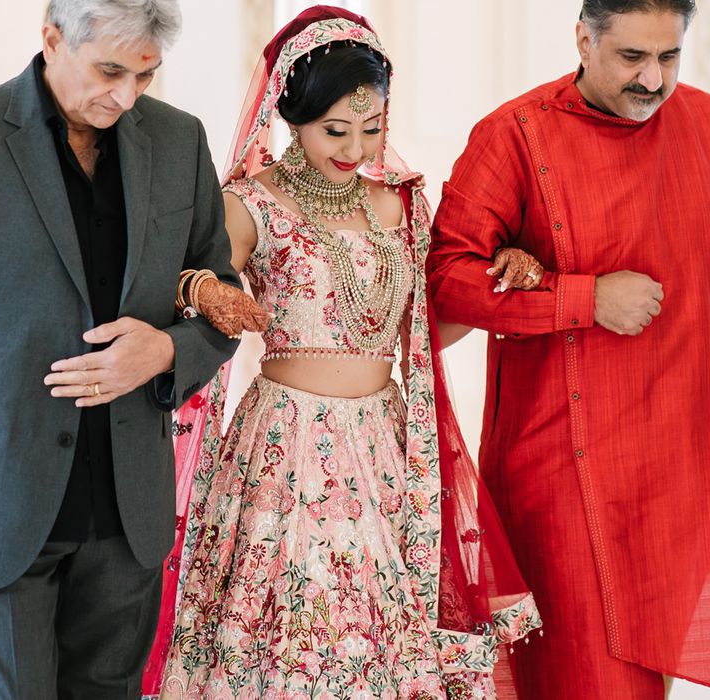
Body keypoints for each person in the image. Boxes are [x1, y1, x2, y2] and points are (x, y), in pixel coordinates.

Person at [143, 7, 543, 700]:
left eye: (372, 127)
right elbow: (181, 286)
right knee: (290, 641)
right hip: (286, 448)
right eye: (335, 130)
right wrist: (204, 287)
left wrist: (502, 276)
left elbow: (421, 336)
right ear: (291, 115)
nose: (355, 147)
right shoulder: (251, 203)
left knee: (386, 643)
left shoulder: (405, 207)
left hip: (386, 451)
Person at [428, 0, 710, 698]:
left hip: (681, 473)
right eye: (632, 58)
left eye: (669, 57)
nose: (653, 79)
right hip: (565, 473)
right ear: (584, 42)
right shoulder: (515, 137)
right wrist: (583, 299)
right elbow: (444, 282)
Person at [0, 1, 242, 697]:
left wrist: (168, 352)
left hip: (127, 510)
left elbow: (221, 298)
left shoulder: (179, 141)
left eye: (144, 76)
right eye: (109, 70)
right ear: (52, 40)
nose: (125, 96)